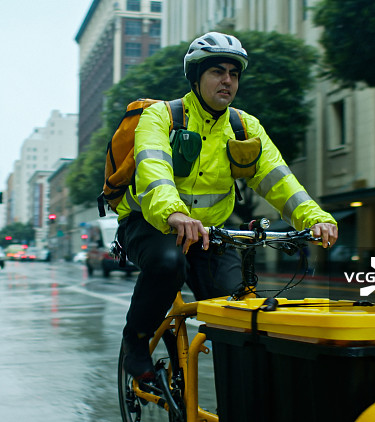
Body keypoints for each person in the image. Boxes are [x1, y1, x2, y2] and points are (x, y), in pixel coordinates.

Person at [115, 32, 339, 379]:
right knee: (168, 264)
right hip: (151, 223)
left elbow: (277, 178)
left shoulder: (244, 126)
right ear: (195, 77)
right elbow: (153, 169)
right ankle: (136, 341)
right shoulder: (161, 117)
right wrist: (173, 213)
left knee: (239, 310)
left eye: (234, 74)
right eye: (217, 71)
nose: (227, 80)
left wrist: (316, 218)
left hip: (212, 234)